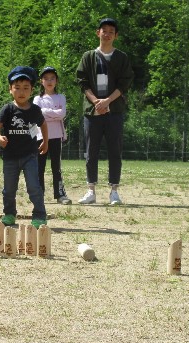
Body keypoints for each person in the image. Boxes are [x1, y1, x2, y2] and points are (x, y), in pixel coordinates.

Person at [76, 18, 134, 205]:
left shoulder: (122, 58)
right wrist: (96, 103)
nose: (107, 34)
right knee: (90, 151)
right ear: (98, 32)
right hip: (92, 112)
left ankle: (114, 191)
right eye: (104, 30)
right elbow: (82, 81)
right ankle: (90, 190)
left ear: (115, 36)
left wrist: (107, 102)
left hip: (114, 111)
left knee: (114, 151)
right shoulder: (88, 56)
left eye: (111, 31)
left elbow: (124, 83)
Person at [0, 66, 48, 229]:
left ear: (31, 90)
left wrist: (45, 141)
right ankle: (9, 214)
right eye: (17, 88)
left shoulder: (35, 110)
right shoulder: (8, 109)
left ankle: (39, 215)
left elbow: (43, 124)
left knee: (34, 187)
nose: (21, 92)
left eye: (26, 88)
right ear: (11, 89)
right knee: (9, 189)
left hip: (30, 155)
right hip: (10, 156)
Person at [33, 66, 71, 205]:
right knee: (39, 167)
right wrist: (54, 113)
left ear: (57, 81)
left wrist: (47, 113)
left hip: (56, 136)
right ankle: (39, 194)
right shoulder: (37, 99)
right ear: (41, 82)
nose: (49, 81)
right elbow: (38, 113)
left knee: (57, 167)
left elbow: (62, 114)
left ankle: (60, 194)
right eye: (46, 78)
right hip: (41, 137)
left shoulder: (61, 97)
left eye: (52, 78)